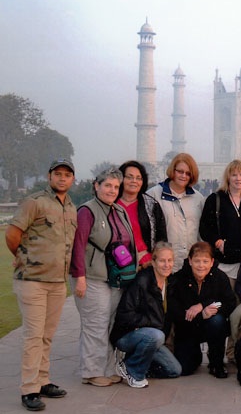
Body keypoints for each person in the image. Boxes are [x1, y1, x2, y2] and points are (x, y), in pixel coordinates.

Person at [6, 159, 77, 411]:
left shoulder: (71, 207)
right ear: (49, 176)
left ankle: (43, 380)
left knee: (47, 335)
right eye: (58, 174)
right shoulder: (35, 202)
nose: (62, 178)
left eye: (67, 175)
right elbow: (12, 235)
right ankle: (29, 388)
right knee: (34, 336)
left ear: (72, 179)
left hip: (57, 282)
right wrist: (23, 258)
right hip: (32, 281)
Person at [70, 168, 136, 388]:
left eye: (116, 187)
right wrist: (79, 277)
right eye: (107, 185)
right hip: (92, 277)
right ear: (96, 186)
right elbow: (78, 246)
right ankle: (92, 372)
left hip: (114, 277)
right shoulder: (87, 211)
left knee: (109, 324)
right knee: (95, 325)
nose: (112, 190)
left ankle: (107, 368)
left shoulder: (118, 210)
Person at [110, 242, 182, 388]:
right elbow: (124, 314)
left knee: (174, 370)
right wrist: (147, 323)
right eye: (162, 261)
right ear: (153, 262)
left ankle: (132, 361)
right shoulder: (142, 281)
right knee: (156, 335)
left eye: (169, 260)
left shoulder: (170, 282)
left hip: (151, 337)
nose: (166, 265)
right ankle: (133, 371)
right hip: (128, 335)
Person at [169, 242, 237, 378]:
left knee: (217, 321)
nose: (201, 265)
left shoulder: (220, 277)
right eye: (197, 261)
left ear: (212, 262)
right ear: (190, 261)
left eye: (205, 261)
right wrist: (202, 315)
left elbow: (230, 303)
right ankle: (195, 355)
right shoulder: (179, 279)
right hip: (187, 327)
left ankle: (216, 362)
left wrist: (202, 305)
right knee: (185, 369)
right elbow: (175, 312)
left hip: (210, 326)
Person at [200, 159, 241, 290]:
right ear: (228, 177)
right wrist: (217, 241)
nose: (238, 178)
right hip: (225, 263)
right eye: (234, 175)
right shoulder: (215, 199)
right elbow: (204, 228)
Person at [147, 153, 204, 271]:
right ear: (173, 170)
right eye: (180, 171)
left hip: (190, 266)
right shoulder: (153, 195)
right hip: (164, 266)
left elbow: (201, 233)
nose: (183, 176)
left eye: (188, 173)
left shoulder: (198, 198)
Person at [117, 160, 167, 268]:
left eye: (138, 178)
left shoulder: (151, 204)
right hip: (116, 263)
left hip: (145, 263)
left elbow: (162, 237)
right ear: (121, 179)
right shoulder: (111, 203)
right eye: (129, 177)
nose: (134, 181)